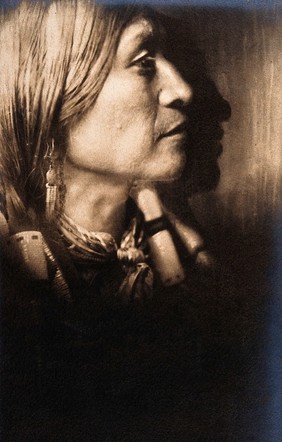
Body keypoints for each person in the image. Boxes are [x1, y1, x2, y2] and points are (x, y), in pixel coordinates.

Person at [0, 0, 230, 435]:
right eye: (144, 63)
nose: (182, 90)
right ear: (55, 96)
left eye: (168, 60)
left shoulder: (196, 267)